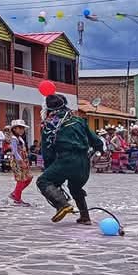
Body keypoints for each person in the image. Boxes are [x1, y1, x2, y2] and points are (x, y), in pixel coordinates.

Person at [36, 94, 103, 225]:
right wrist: (96, 152)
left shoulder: (49, 125)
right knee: (75, 187)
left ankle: (62, 204)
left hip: (66, 159)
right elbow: (96, 142)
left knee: (43, 181)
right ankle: (85, 217)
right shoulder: (79, 121)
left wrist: (49, 169)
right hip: (83, 162)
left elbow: (47, 151)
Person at [6, 119, 33, 206]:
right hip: (17, 161)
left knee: (29, 177)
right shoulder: (14, 139)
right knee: (21, 179)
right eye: (20, 128)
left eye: (23, 128)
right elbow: (14, 151)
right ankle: (17, 199)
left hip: (23, 159)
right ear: (14, 129)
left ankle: (15, 193)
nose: (22, 130)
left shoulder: (19, 138)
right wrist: (21, 161)